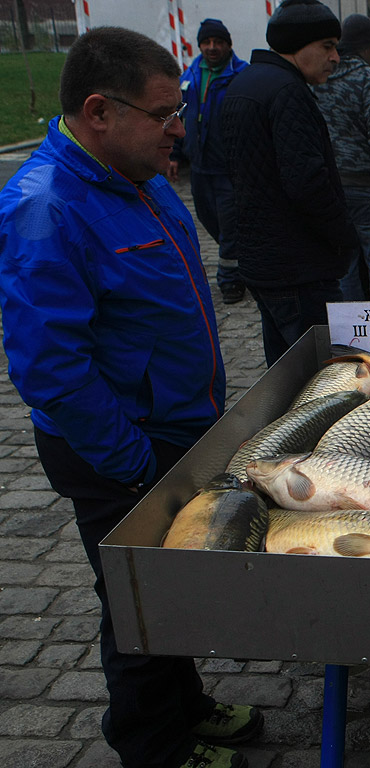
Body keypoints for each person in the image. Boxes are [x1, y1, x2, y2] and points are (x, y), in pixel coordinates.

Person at [0, 27, 261, 768]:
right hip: (120, 446)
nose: (179, 125)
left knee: (169, 583)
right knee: (136, 599)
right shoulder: (45, 208)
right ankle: (153, 745)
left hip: (175, 427)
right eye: (162, 112)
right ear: (98, 111)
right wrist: (136, 462)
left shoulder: (139, 177)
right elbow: (51, 369)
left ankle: (186, 705)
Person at [220, 0, 355, 366]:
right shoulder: (286, 91)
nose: (335, 57)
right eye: (327, 46)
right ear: (298, 44)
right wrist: (343, 236)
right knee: (320, 376)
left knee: (284, 370)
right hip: (298, 267)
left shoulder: (243, 83)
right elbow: (307, 182)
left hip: (264, 263)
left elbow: (221, 176)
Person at [316, 13, 370, 301]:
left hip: (332, 186)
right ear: (368, 47)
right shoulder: (368, 79)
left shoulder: (320, 81)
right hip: (367, 185)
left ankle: (351, 331)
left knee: (347, 265)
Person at [168, 18, 248, 305]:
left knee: (230, 225)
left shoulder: (241, 75)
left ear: (228, 44)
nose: (212, 48)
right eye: (206, 42)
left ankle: (230, 282)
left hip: (229, 168)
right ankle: (242, 260)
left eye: (217, 42)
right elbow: (178, 116)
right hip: (199, 167)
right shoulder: (190, 76)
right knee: (207, 219)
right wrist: (175, 155)